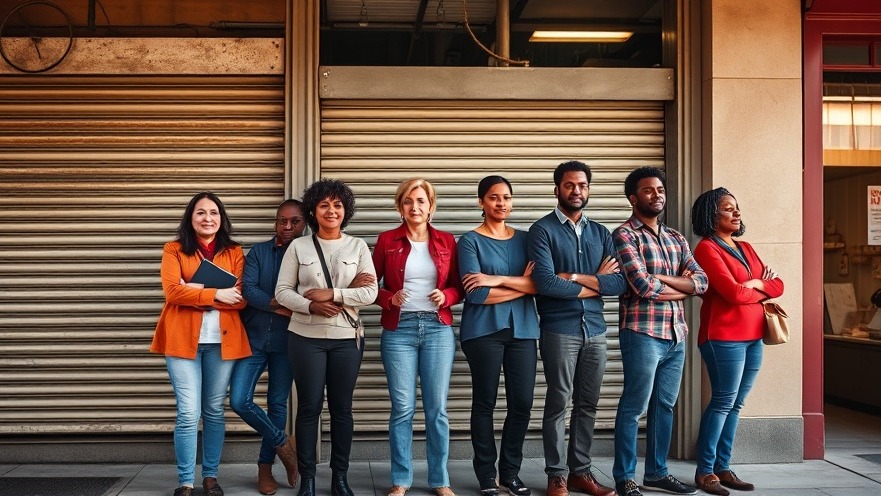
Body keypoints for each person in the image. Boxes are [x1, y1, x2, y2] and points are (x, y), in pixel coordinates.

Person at [526, 161, 626, 496]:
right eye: (569, 185)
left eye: (582, 185)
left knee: (588, 403)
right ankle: (557, 474)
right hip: (559, 328)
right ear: (557, 190)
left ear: (589, 189)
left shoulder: (601, 233)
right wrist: (595, 282)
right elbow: (545, 282)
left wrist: (574, 278)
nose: (576, 191)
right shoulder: (542, 230)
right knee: (558, 401)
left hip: (596, 329)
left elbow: (618, 283)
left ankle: (580, 472)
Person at [275, 179, 378, 496]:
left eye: (337, 205)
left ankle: (340, 477)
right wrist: (310, 304)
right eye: (324, 205)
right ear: (313, 211)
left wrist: (334, 293)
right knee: (309, 408)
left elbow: (371, 292)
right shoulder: (299, 247)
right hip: (305, 337)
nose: (331, 210)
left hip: (347, 339)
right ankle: (307, 478)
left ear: (345, 210)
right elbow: (282, 292)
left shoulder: (358, 246)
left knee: (342, 409)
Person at [611, 167, 708, 496]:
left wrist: (665, 281)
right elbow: (640, 286)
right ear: (633, 198)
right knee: (633, 407)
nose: (657, 195)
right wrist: (683, 286)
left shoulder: (677, 238)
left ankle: (656, 472)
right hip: (641, 332)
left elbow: (702, 281)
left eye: (660, 190)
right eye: (649, 190)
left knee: (664, 406)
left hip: (676, 333)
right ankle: (625, 477)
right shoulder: (624, 235)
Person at [150, 191, 251, 496]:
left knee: (214, 410)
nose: (208, 219)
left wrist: (193, 289)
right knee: (188, 413)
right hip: (181, 341)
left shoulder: (234, 252)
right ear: (190, 218)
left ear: (222, 219)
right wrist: (216, 294)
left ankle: (210, 476)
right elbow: (172, 293)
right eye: (200, 213)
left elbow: (242, 298)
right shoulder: (174, 249)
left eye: (214, 213)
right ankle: (185, 481)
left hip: (223, 343)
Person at [373, 178, 464, 496]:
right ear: (400, 206)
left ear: (431, 206)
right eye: (409, 201)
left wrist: (447, 296)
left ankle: (440, 480)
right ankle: (401, 480)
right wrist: (389, 298)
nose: (415, 206)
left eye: (421, 201)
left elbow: (459, 286)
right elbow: (371, 286)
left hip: (438, 329)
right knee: (402, 408)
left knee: (437, 408)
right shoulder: (387, 240)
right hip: (399, 330)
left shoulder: (446, 241)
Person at [690, 188, 783, 495]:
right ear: (711, 215)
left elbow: (778, 284)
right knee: (723, 402)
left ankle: (723, 467)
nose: (736, 212)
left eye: (737, 207)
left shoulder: (746, 248)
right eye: (728, 208)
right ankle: (705, 472)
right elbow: (732, 293)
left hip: (754, 336)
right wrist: (760, 285)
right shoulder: (706, 248)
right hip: (723, 337)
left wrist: (755, 283)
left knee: (736, 404)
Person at [457, 176, 539, 496]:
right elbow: (476, 296)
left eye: (506, 197)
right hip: (483, 332)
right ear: (481, 202)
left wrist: (496, 281)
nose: (501, 203)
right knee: (485, 402)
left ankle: (510, 472)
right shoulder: (469, 241)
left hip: (524, 331)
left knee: (522, 402)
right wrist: (520, 283)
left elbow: (538, 285)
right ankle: (486, 474)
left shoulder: (528, 239)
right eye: (493, 197)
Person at [230, 199, 305, 495]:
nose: (287, 227)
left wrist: (284, 304)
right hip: (253, 339)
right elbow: (249, 291)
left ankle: (265, 467)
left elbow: (310, 296)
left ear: (305, 223)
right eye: (282, 221)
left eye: (295, 221)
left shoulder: (309, 253)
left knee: (277, 404)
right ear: (275, 223)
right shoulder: (260, 252)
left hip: (289, 342)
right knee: (239, 400)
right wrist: (283, 305)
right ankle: (284, 445)